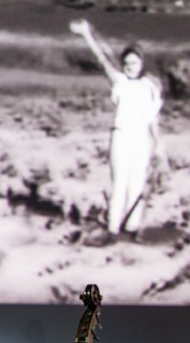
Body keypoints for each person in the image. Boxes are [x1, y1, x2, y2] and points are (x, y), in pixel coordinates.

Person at [69, 19, 164, 245]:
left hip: (142, 138)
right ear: (123, 65)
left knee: (137, 185)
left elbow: (153, 118)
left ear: (142, 64)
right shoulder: (119, 81)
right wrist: (86, 34)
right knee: (120, 183)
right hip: (121, 136)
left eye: (135, 62)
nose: (131, 66)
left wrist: (159, 145)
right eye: (128, 63)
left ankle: (132, 229)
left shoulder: (151, 86)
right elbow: (102, 58)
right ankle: (112, 230)